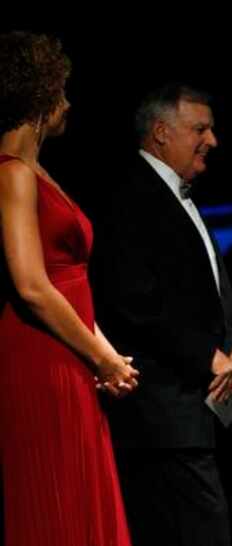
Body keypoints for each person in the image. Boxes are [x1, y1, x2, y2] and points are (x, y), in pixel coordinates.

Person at [89, 83, 232, 546]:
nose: (213, 140)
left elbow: (192, 297)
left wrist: (229, 348)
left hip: (188, 417)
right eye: (200, 128)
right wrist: (208, 354)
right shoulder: (129, 196)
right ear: (161, 132)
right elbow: (134, 300)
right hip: (160, 415)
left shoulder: (177, 195)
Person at [0, 31, 138, 546]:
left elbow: (68, 282)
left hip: (71, 354)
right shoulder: (11, 174)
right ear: (40, 95)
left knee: (82, 491)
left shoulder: (38, 172)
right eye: (61, 90)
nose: (68, 102)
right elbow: (33, 286)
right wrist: (100, 357)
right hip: (40, 358)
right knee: (55, 496)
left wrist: (107, 356)